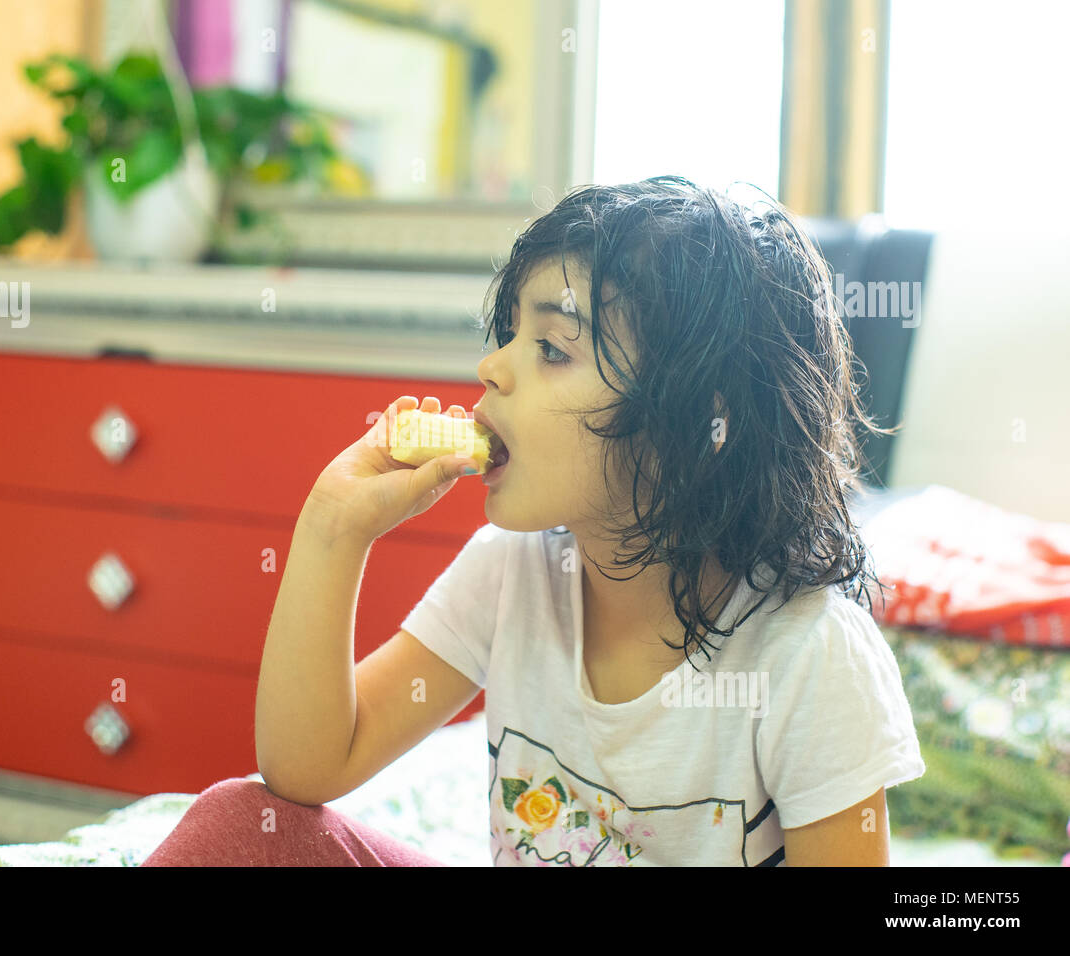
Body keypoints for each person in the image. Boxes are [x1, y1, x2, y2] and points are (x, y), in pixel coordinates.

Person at [142, 176, 926, 867]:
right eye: (509, 334)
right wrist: (331, 530)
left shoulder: (810, 659)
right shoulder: (513, 573)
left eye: (552, 347)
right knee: (240, 824)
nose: (493, 367)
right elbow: (307, 769)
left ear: (695, 429)